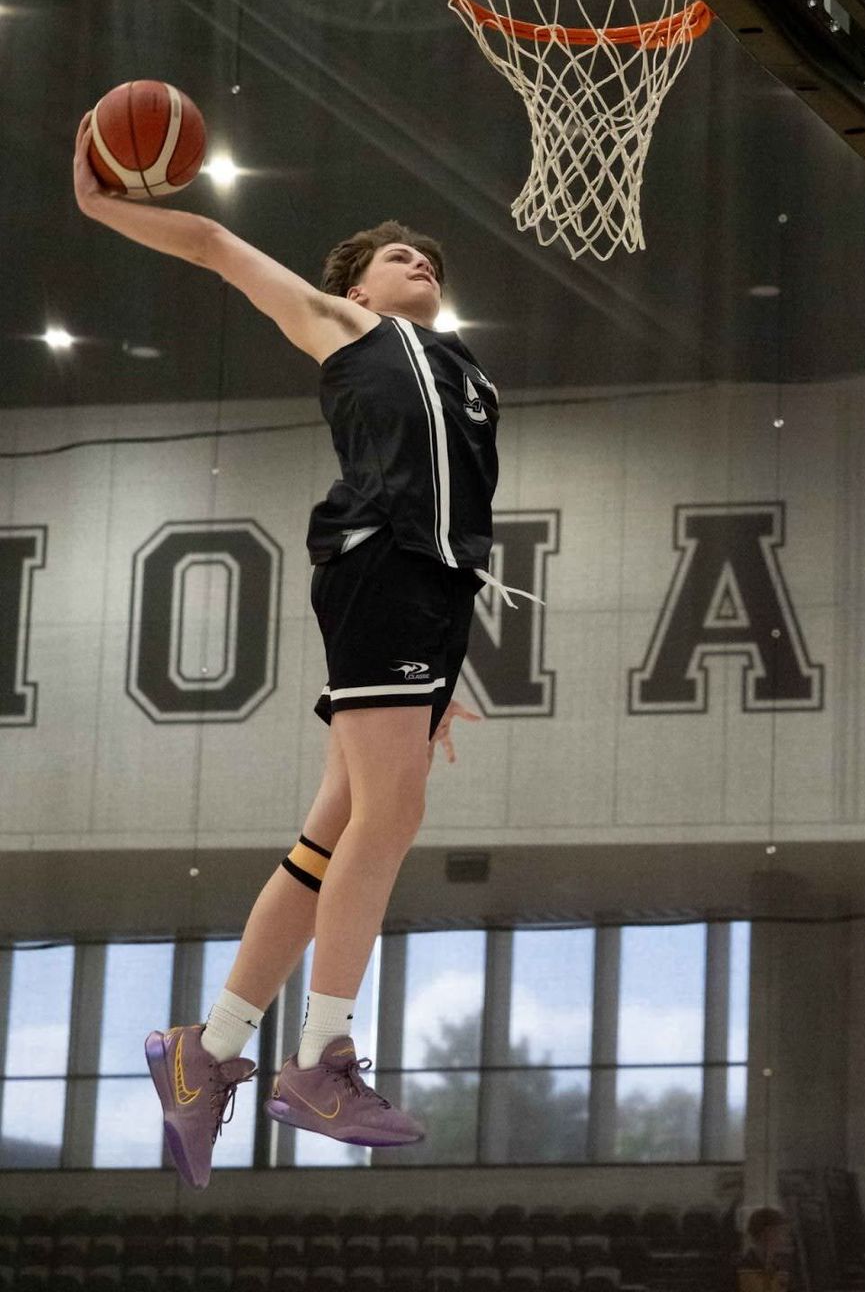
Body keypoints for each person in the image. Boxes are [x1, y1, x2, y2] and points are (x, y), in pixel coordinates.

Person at [72, 112, 532, 1188]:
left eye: (428, 255)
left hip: (433, 594)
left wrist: (442, 677)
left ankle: (208, 1051)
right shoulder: (344, 329)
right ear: (359, 288)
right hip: (381, 571)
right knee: (394, 814)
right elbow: (218, 250)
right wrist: (108, 205)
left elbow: (457, 512)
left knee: (329, 838)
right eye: (394, 254)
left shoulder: (469, 373)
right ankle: (321, 1056)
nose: (417, 256)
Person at [737, 1207, 793, 1292]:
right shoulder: (743, 1269)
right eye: (780, 1232)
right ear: (766, 1234)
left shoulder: (782, 1267)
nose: (783, 1239)